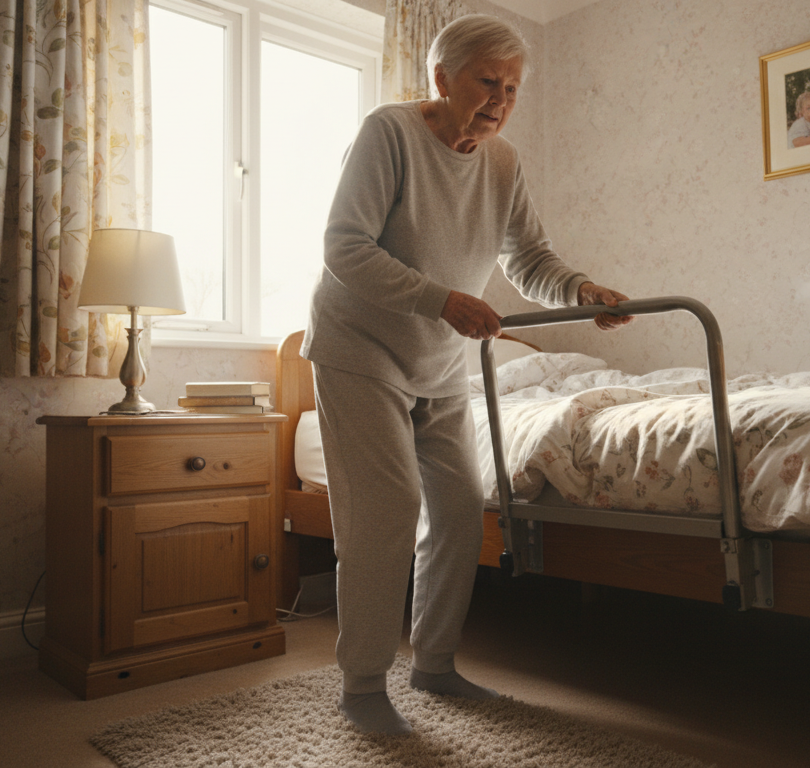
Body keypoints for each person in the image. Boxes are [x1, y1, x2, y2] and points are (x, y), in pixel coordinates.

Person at [300, 14, 633, 736]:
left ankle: (435, 663)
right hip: (359, 348)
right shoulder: (387, 133)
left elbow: (529, 261)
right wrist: (440, 299)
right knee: (386, 506)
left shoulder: (503, 161)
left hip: (441, 360)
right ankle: (361, 685)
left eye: (512, 87)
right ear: (442, 77)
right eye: (487, 81)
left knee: (456, 509)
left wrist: (581, 291)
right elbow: (343, 247)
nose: (500, 99)